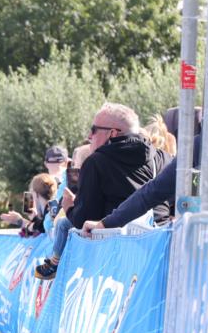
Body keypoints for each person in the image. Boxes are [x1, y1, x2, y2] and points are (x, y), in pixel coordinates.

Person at [35, 102, 168, 280]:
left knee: (64, 223)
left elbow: (83, 220)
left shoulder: (96, 162)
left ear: (112, 133)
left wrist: (69, 207)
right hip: (161, 252)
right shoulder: (162, 158)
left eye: (94, 130)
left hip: (116, 264)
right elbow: (184, 195)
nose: (89, 136)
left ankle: (54, 264)